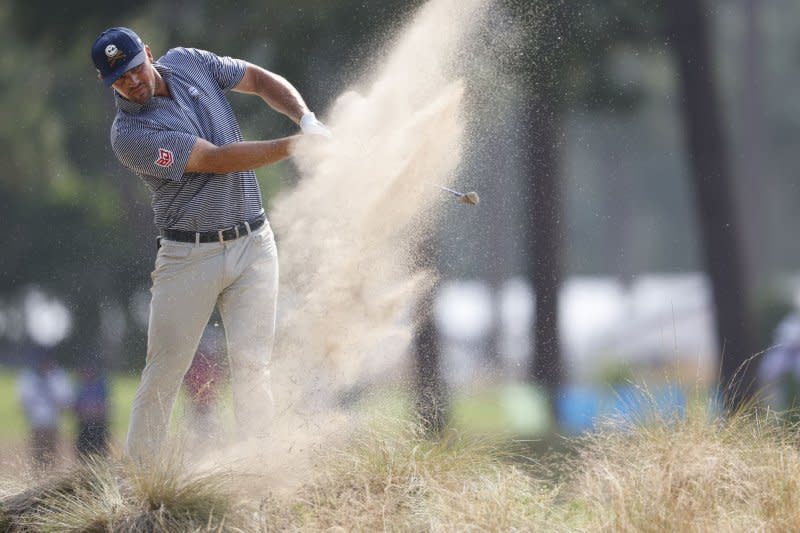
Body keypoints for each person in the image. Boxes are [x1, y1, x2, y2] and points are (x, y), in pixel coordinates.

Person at [91, 27, 330, 464]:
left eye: (134, 69)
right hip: (188, 257)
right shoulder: (129, 135)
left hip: (254, 244)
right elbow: (215, 160)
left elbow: (257, 80)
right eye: (119, 80)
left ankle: (261, 477)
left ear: (148, 53)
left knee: (253, 369)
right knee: (164, 373)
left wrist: (307, 119)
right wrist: (299, 147)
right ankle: (140, 486)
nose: (132, 83)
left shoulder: (188, 61)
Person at [17, 349, 74, 470]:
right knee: (37, 456)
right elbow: (23, 400)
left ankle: (51, 480)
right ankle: (38, 479)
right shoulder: (29, 377)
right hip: (36, 424)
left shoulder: (58, 377)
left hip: (52, 423)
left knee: (52, 455)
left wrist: (54, 398)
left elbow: (66, 400)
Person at [74, 364, 110, 458]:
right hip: (84, 425)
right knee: (83, 453)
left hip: (98, 425)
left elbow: (103, 406)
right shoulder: (81, 385)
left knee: (100, 452)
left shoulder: (100, 385)